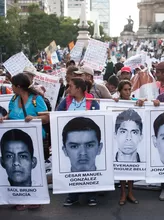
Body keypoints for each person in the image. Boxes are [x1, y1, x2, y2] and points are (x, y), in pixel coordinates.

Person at [0, 73, 49, 211]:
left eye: (13, 85)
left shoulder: (36, 99)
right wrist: (4, 118)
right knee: (16, 172)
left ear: (19, 86)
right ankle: (20, 198)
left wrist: (33, 118)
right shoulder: (14, 98)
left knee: (35, 170)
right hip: (15, 138)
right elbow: (11, 114)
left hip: (34, 139)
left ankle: (35, 198)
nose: (11, 87)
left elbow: (46, 117)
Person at [56, 78, 100, 207]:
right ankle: (73, 195)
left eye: (70, 86)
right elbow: (56, 116)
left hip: (87, 139)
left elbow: (98, 117)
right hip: (72, 140)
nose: (68, 89)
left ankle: (91, 195)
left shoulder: (92, 102)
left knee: (89, 167)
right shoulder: (66, 102)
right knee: (74, 168)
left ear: (79, 89)